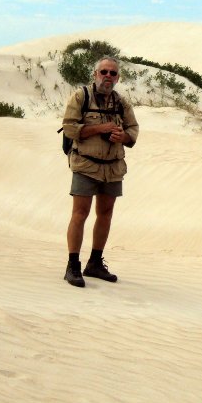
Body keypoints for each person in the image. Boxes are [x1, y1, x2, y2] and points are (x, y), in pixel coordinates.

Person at [61, 55, 139, 287]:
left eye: (112, 73)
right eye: (104, 72)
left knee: (105, 213)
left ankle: (94, 263)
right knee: (80, 213)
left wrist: (123, 136)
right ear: (95, 74)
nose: (108, 76)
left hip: (113, 168)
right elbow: (69, 128)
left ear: (117, 78)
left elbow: (133, 130)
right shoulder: (81, 97)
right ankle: (73, 266)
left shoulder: (121, 103)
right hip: (86, 165)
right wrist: (100, 128)